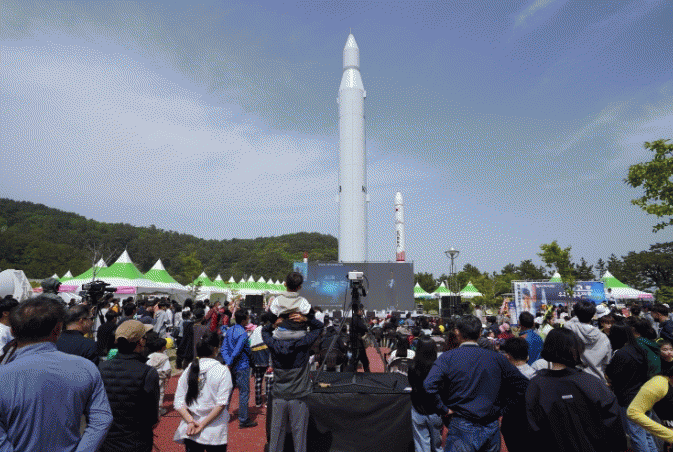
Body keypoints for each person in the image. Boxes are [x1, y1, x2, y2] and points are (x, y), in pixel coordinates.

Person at [0, 295, 113, 451]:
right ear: (58, 329)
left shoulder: (3, 375)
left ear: (12, 331)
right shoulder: (86, 368)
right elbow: (102, 418)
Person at [423, 315, 529, 452]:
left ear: (457, 332)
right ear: (480, 333)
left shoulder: (447, 358)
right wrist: (503, 408)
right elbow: (523, 384)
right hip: (490, 424)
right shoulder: (496, 358)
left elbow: (429, 385)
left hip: (462, 424)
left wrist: (443, 409)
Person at [526, 328, 626, 452]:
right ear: (575, 350)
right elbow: (613, 423)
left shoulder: (536, 385)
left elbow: (532, 428)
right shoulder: (592, 383)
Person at [263, 311, 324, 452]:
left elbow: (264, 331)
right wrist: (306, 319)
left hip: (279, 395)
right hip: (299, 396)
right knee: (299, 437)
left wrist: (274, 324)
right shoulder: (303, 343)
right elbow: (319, 327)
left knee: (276, 437)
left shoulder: (274, 343)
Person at [98, 320, 160, 452]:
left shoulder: (100, 368)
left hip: (105, 440)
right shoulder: (148, 373)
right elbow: (152, 416)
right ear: (141, 341)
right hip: (136, 442)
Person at [174, 331, 233, 452]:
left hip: (191, 429)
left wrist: (191, 421)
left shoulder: (189, 369)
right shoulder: (222, 370)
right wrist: (202, 424)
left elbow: (178, 402)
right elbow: (221, 404)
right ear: (215, 349)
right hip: (214, 431)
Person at [605, 323, 656, 452]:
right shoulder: (639, 350)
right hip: (644, 395)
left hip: (629, 399)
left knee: (637, 436)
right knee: (647, 434)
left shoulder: (621, 353)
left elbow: (611, 374)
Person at [220, 309, 257, 428]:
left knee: (228, 391)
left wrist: (228, 361)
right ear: (243, 320)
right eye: (247, 318)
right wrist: (231, 360)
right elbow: (238, 350)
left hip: (230, 366)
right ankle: (243, 419)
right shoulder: (243, 333)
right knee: (244, 392)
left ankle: (222, 416)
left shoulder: (229, 330)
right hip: (242, 366)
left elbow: (224, 348)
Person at [408, 336, 443, 452]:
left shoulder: (412, 367)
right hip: (435, 410)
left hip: (418, 409)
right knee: (437, 446)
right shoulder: (439, 368)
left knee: (422, 446)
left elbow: (412, 384)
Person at [564, 300, 612, 384]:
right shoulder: (603, 337)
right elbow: (606, 361)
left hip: (576, 380)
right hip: (597, 380)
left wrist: (578, 314)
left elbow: (567, 324)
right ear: (593, 315)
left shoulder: (570, 331)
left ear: (576, 314)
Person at [269, 272, 312, 338]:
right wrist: (304, 318)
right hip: (300, 333)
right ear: (300, 287)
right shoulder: (303, 301)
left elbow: (272, 315)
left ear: (285, 284)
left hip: (282, 333)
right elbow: (309, 314)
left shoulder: (277, 300)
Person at [250, 312, 272, 407]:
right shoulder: (268, 329)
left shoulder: (256, 329)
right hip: (266, 356)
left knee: (258, 380)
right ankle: (267, 401)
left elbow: (251, 342)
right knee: (268, 380)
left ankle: (258, 401)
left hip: (256, 357)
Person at [147, 336, 172, 416]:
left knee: (150, 393)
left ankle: (150, 409)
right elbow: (167, 370)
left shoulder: (150, 356)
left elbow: (146, 366)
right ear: (163, 347)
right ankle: (158, 410)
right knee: (160, 394)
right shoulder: (165, 358)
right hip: (160, 378)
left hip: (150, 378)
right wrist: (168, 376)